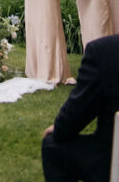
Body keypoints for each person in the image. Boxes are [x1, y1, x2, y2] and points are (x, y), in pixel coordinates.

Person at [41, 34, 119, 182]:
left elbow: (70, 122)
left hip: (112, 160)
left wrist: (59, 128)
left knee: (53, 146)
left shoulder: (105, 52)